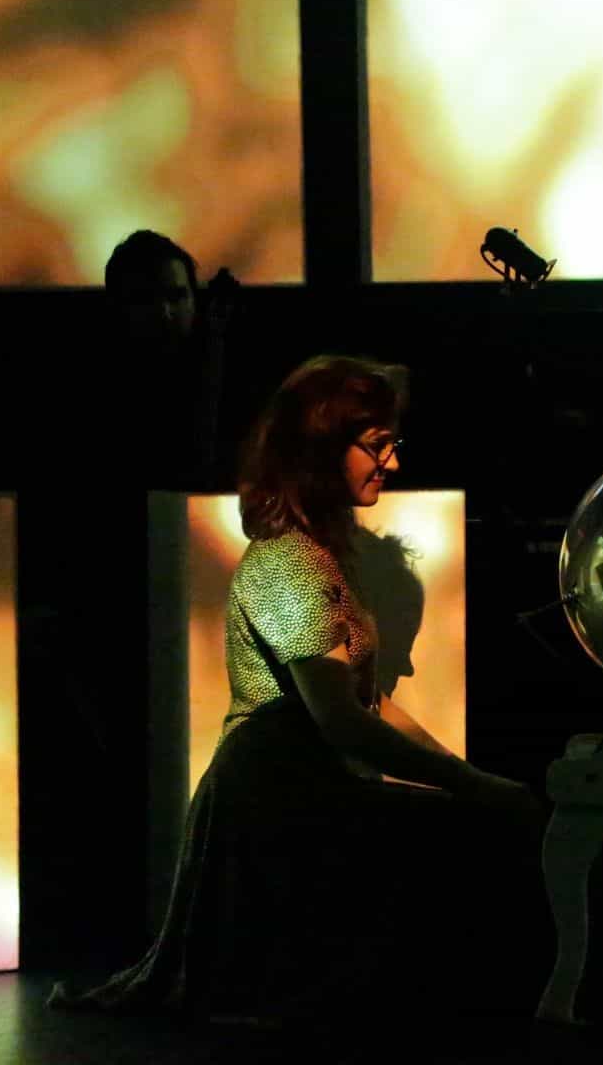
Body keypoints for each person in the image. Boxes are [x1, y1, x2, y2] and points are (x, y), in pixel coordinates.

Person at [50, 354, 548, 1027]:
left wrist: (467, 777)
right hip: (276, 804)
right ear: (322, 444)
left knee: (474, 826)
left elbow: (366, 706)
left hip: (304, 788)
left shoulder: (320, 556)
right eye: (378, 445)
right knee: (468, 838)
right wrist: (472, 785)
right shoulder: (292, 562)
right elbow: (342, 719)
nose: (393, 463)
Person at [99, 229, 239, 491]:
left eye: (176, 297)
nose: (165, 312)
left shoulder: (231, 376)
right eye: (145, 299)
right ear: (117, 307)